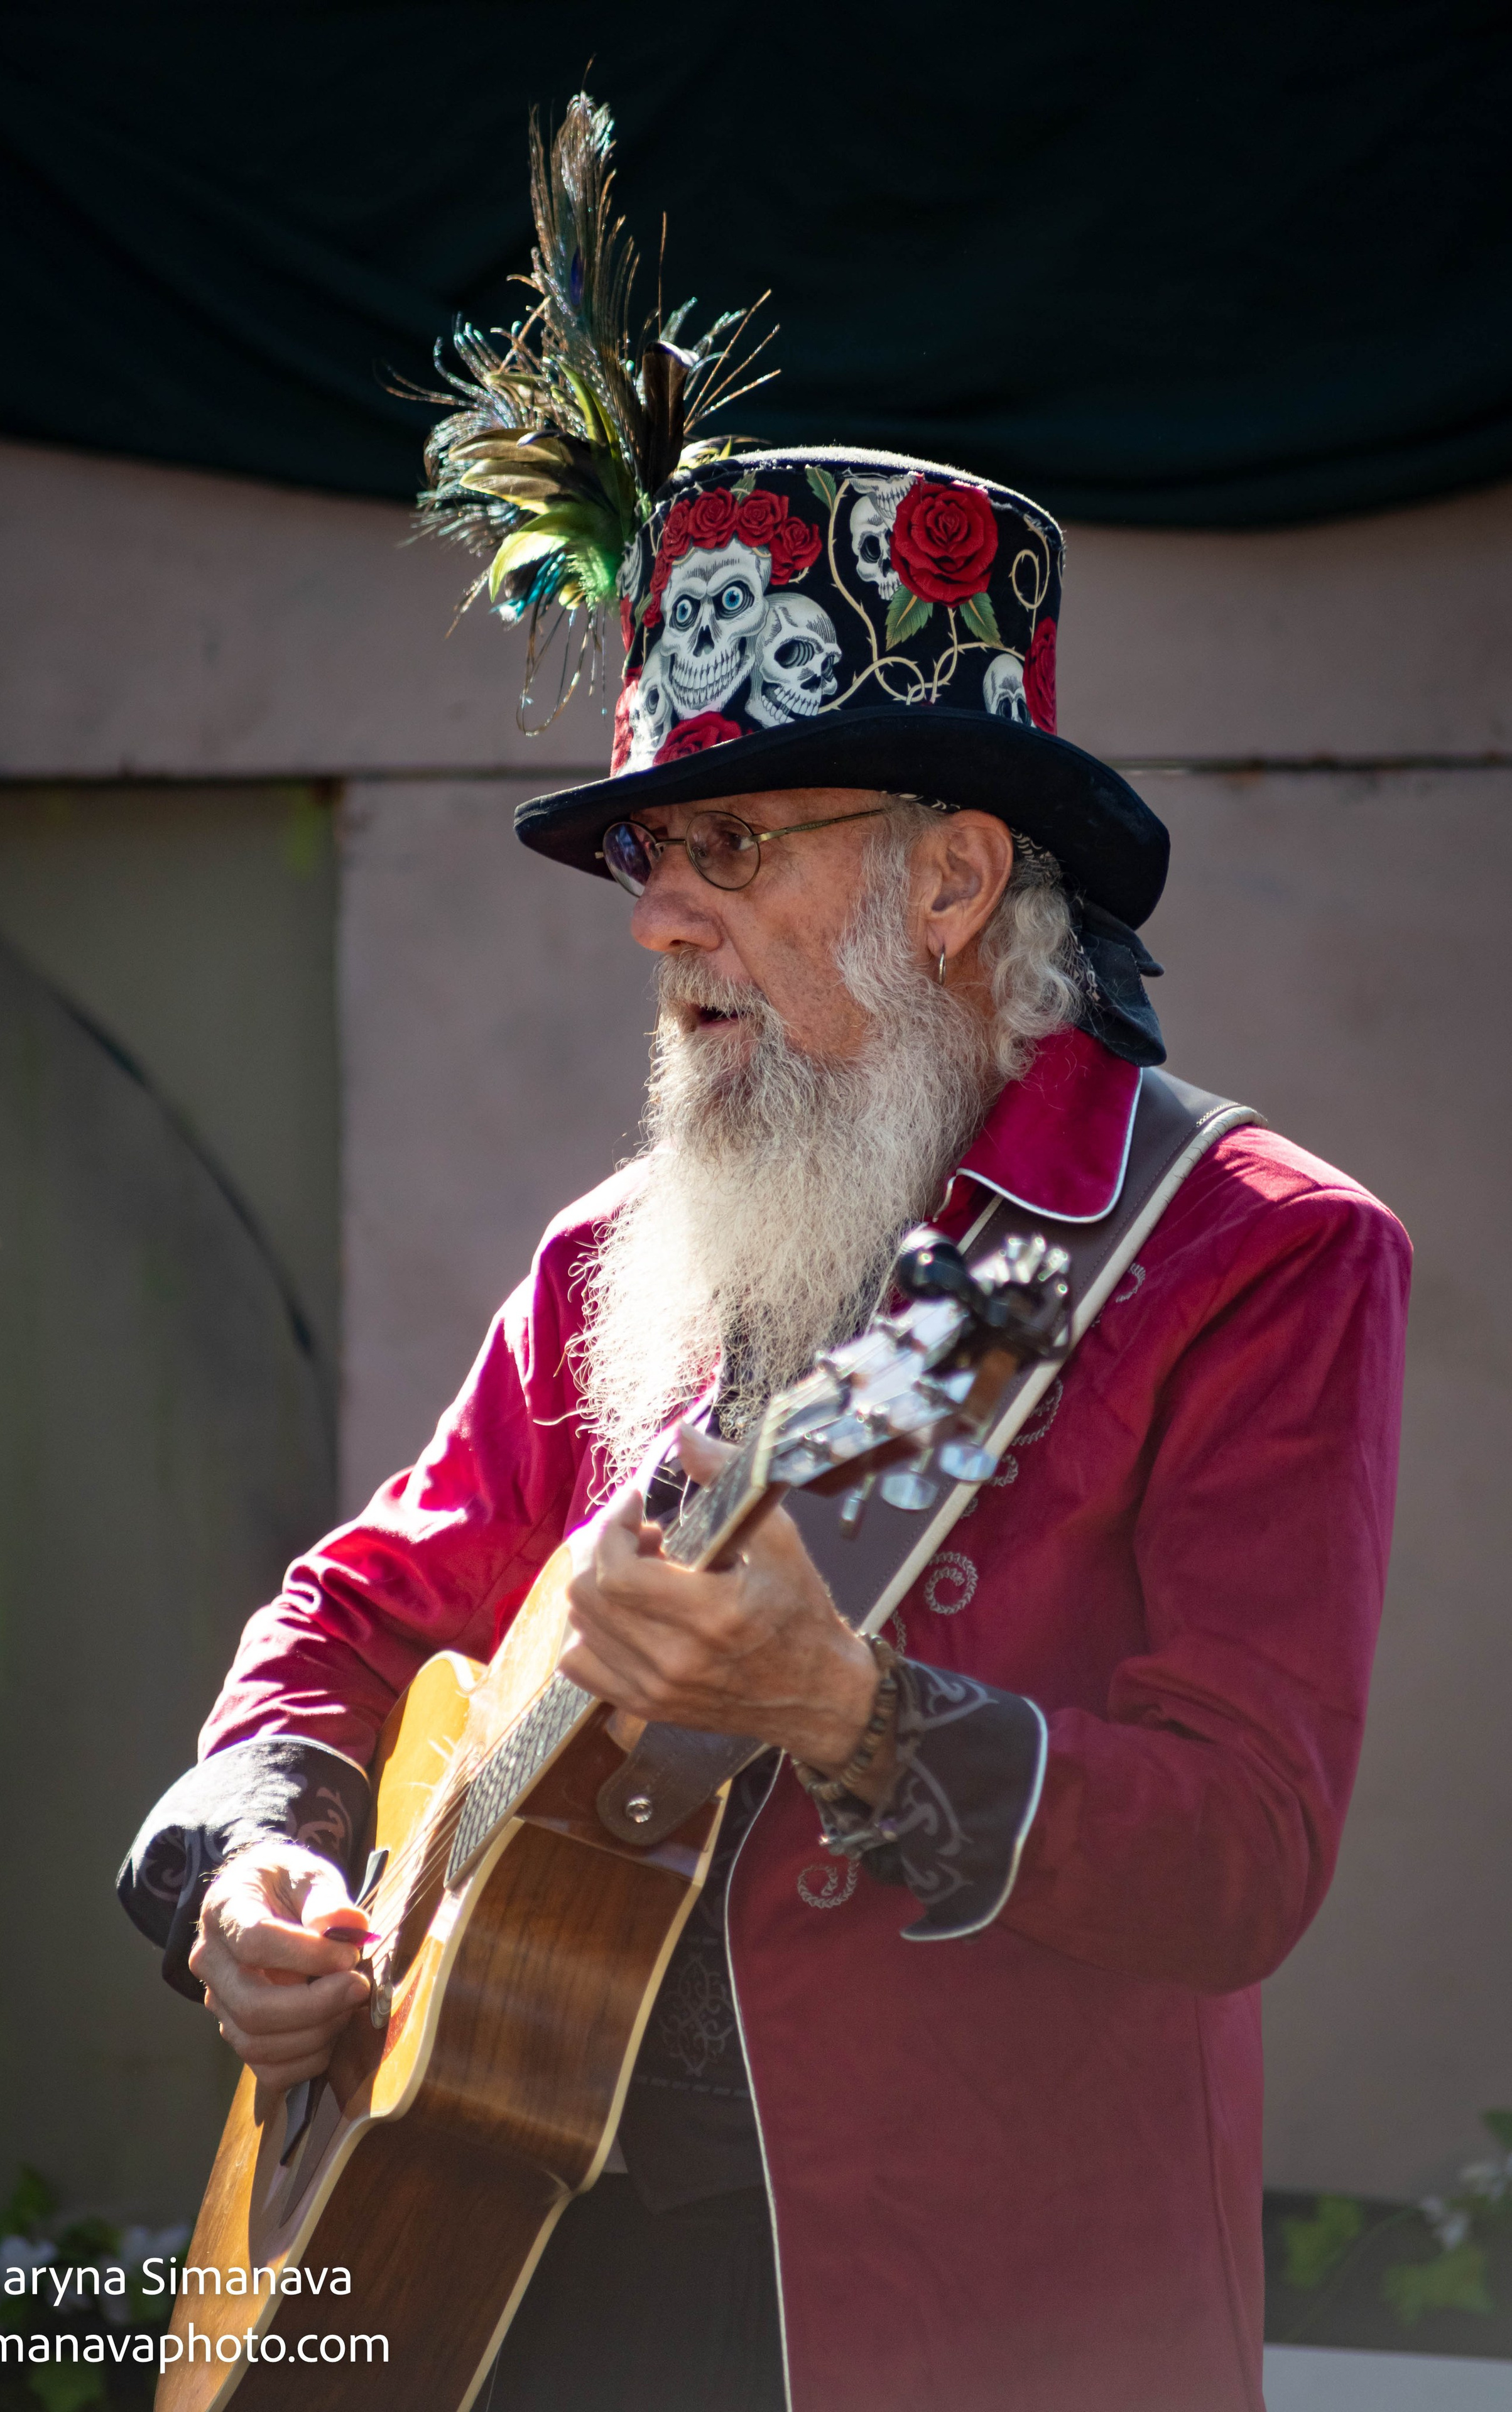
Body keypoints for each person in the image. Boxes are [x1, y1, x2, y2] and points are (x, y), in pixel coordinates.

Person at [118, 98, 1409, 2412]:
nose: (665, 912)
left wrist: (855, 1713)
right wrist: (265, 1869)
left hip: (972, 2334)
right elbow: (358, 1607)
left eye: (727, 838)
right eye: (648, 859)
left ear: (949, 885)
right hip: (520, 2294)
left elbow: (1248, 1854)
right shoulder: (623, 1254)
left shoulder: (1247, 1260)